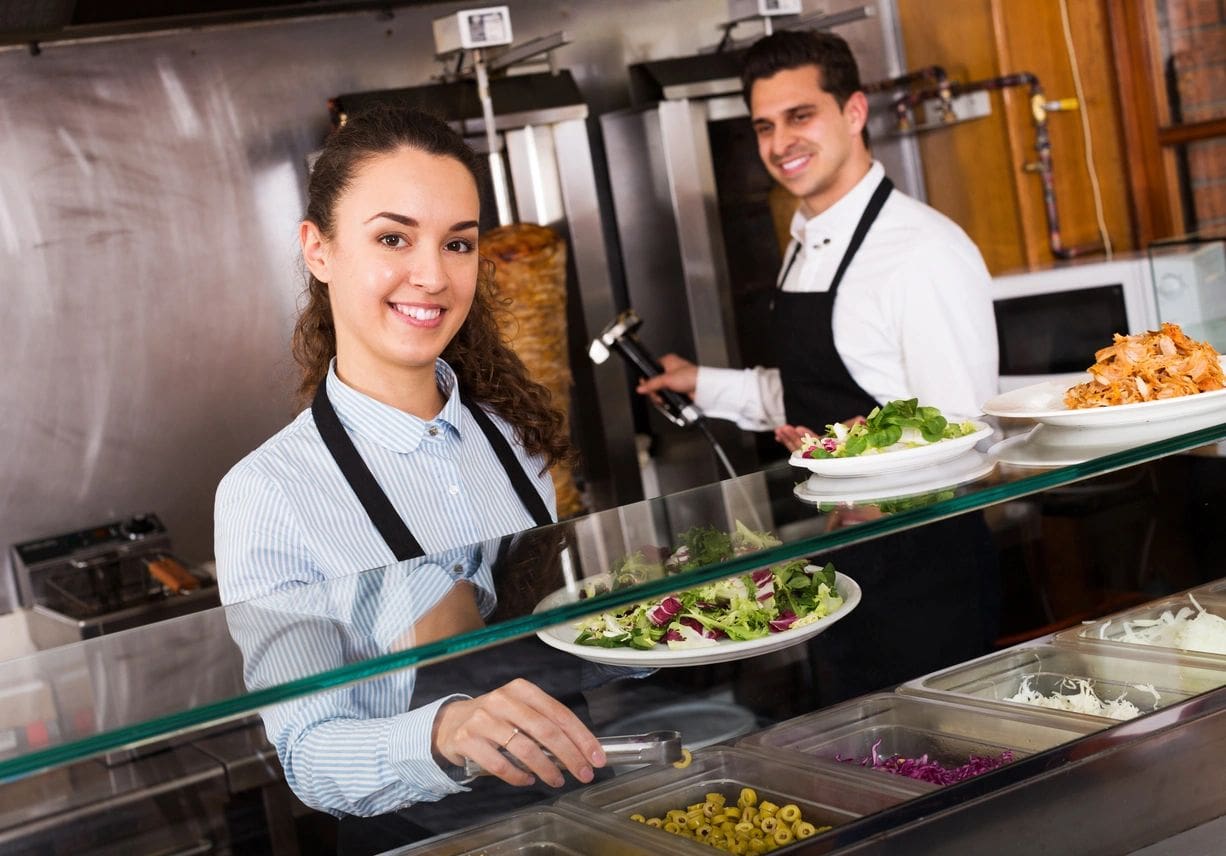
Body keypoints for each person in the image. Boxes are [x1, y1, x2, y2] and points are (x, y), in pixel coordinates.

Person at [213, 106, 608, 852]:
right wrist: (444, 731)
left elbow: (557, 632)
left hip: (578, 813)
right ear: (318, 249)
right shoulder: (267, 493)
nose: (432, 275)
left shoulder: (512, 437)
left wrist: (663, 628)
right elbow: (306, 753)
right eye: (393, 238)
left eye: (457, 243)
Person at [637, 29, 999, 449]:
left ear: (854, 113)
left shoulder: (924, 252)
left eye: (800, 116)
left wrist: (851, 453)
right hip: (844, 511)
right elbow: (807, 394)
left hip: (928, 515)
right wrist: (701, 382)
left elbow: (967, 430)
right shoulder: (804, 244)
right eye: (764, 126)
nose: (779, 144)